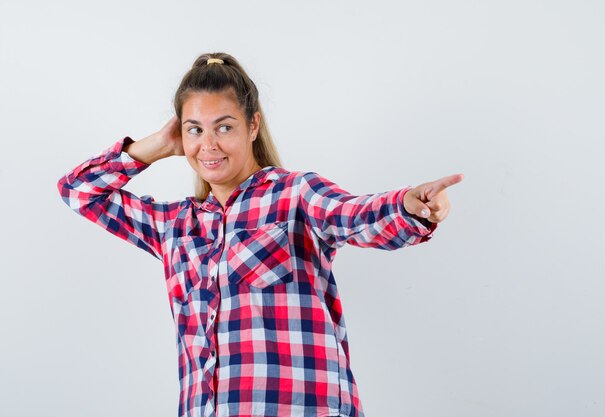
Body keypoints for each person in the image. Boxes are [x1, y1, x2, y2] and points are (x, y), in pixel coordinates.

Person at [57, 52, 463, 417]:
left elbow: (352, 215)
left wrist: (410, 207)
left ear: (253, 125)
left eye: (224, 127)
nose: (208, 145)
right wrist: (157, 145)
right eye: (195, 129)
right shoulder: (175, 227)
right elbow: (77, 191)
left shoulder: (295, 196)